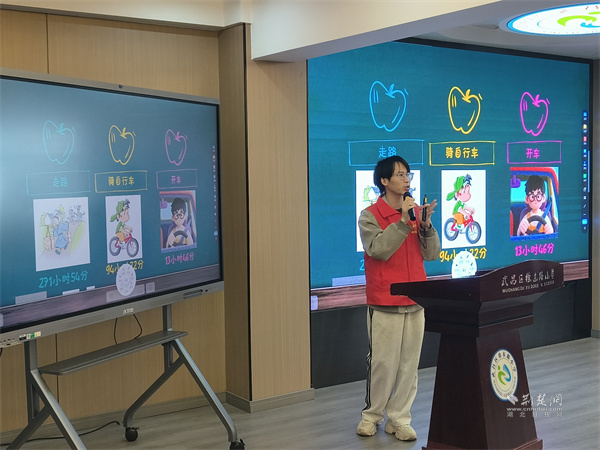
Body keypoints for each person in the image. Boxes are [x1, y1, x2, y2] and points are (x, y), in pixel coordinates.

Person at [356, 155, 441, 441]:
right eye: (400, 175)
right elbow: (378, 249)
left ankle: (399, 419)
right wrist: (404, 222)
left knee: (409, 366)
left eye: (408, 175)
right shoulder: (370, 215)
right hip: (384, 301)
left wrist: (426, 227)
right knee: (382, 364)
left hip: (416, 300)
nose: (406, 180)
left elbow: (432, 254)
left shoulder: (416, 213)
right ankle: (371, 416)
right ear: (384, 181)